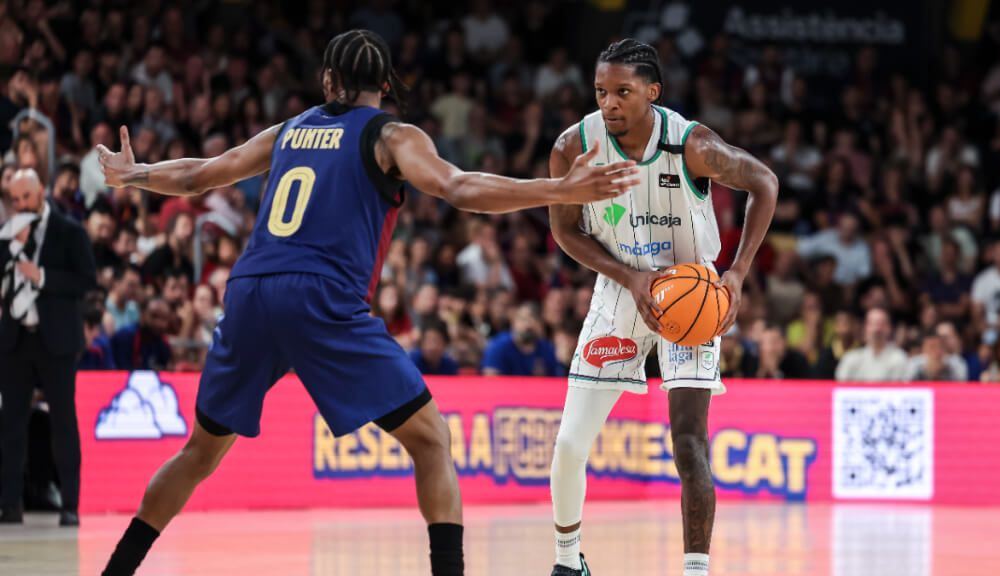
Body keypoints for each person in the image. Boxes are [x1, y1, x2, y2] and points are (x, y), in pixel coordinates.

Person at [95, 29, 640, 576]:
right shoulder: (391, 135)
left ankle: (116, 570)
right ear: (384, 84)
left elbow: (198, 174)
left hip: (251, 290)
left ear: (328, 81)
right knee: (430, 440)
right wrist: (559, 190)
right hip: (320, 295)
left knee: (200, 452)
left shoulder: (290, 129)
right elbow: (460, 187)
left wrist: (134, 174)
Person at [546, 39, 778, 576]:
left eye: (623, 92)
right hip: (620, 289)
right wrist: (630, 277)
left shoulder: (692, 144)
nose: (609, 103)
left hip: (694, 294)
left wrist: (738, 273)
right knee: (569, 442)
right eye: (601, 91)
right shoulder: (572, 147)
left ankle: (695, 570)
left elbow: (764, 183)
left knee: (689, 442)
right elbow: (564, 231)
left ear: (653, 92)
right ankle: (566, 562)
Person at [0, 168, 97, 527]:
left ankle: (71, 504)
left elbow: (87, 279)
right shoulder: (7, 235)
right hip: (15, 340)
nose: (20, 204)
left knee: (63, 423)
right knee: (11, 424)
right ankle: (9, 503)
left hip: (55, 341)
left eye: (26, 196)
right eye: (15, 200)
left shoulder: (69, 231)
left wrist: (41, 275)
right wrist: (14, 248)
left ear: (41, 191)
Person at [481, 302, 560, 376]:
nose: (528, 324)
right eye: (523, 319)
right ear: (514, 322)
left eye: (534, 319)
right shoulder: (499, 346)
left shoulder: (546, 349)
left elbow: (555, 380)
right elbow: (491, 380)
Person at [834, 307, 908, 381]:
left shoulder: (899, 358)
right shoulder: (851, 358)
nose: (877, 329)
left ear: (889, 328)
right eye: (872, 324)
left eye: (881, 324)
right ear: (865, 328)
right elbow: (840, 387)